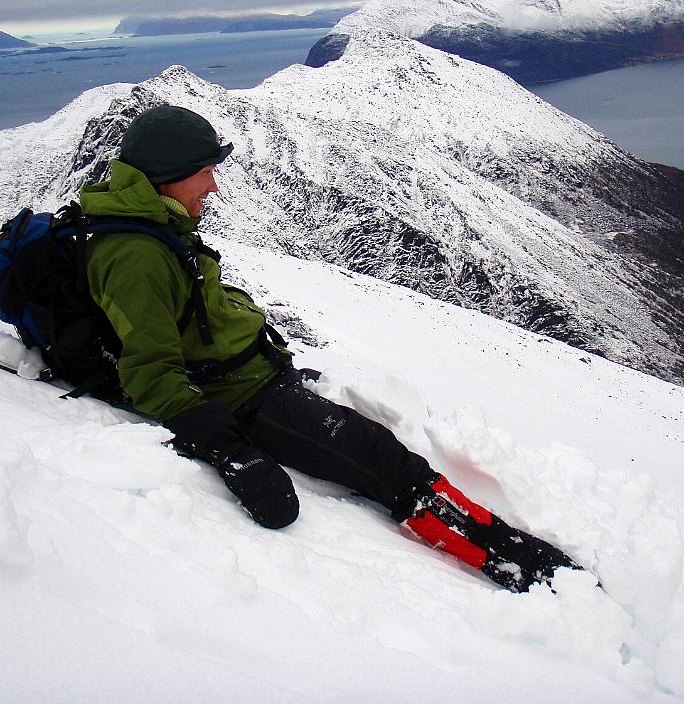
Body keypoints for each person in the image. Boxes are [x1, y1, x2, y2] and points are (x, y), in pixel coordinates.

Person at [78, 104, 579, 592]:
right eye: (205, 172)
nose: (212, 186)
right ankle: (516, 563)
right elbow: (150, 375)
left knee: (364, 438)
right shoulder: (135, 256)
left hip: (254, 374)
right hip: (243, 396)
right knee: (377, 456)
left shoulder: (155, 224)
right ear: (166, 175)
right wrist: (229, 450)